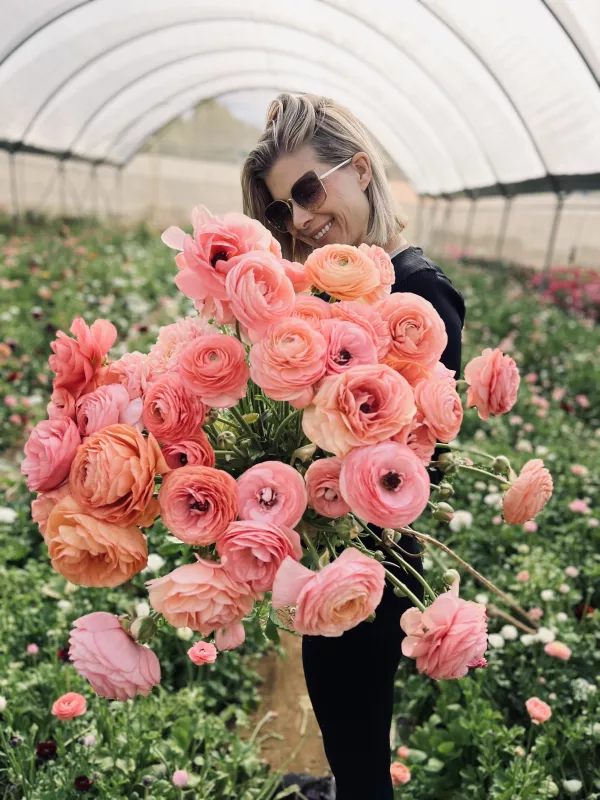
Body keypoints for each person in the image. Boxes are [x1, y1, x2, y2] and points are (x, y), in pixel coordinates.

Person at [242, 93, 465, 800]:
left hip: (374, 563)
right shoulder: (338, 295)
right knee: (347, 731)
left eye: (307, 191)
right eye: (282, 209)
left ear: (361, 170)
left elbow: (406, 446)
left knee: (361, 744)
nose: (299, 219)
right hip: (337, 553)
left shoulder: (422, 296)